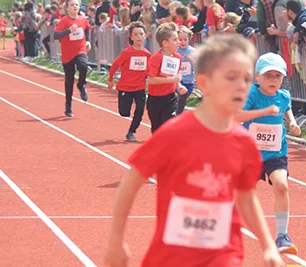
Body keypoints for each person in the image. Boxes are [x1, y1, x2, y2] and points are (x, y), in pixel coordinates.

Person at [103, 34, 285, 267]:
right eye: (231, 77)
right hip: (171, 257)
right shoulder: (174, 134)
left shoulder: (245, 143)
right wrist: (116, 240)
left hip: (224, 254)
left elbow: (246, 197)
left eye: (247, 78)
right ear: (204, 83)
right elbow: (130, 185)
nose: (241, 85)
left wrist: (268, 246)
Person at [235, 52, 301, 255]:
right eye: (268, 75)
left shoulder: (284, 96)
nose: (273, 80)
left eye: (278, 76)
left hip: (275, 153)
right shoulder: (252, 95)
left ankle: (282, 236)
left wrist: (292, 121)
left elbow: (286, 108)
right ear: (257, 77)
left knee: (282, 186)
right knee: (245, 194)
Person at [108, 21, 151, 142]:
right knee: (124, 112)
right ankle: (126, 113)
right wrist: (110, 79)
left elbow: (148, 69)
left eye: (141, 34)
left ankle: (131, 132)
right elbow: (115, 65)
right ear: (131, 37)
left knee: (140, 109)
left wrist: (148, 78)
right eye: (135, 34)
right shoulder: (126, 53)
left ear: (144, 36)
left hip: (140, 87)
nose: (138, 37)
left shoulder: (147, 54)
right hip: (125, 87)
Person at [146, 22, 187, 133]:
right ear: (165, 43)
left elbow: (175, 76)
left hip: (170, 98)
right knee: (157, 130)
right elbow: (151, 80)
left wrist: (179, 85)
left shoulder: (178, 57)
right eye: (175, 40)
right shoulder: (156, 59)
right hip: (155, 99)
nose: (178, 42)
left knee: (170, 123)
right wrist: (173, 80)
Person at [54, 0, 91, 117]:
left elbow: (87, 28)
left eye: (76, 4)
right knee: (69, 80)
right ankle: (68, 105)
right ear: (67, 8)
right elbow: (56, 35)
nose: (75, 6)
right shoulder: (64, 21)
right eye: (72, 5)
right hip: (67, 54)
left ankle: (81, 84)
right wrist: (69, 30)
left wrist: (88, 40)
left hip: (80, 50)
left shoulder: (83, 19)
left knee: (84, 66)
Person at [176, 25, 196, 115]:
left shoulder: (193, 51)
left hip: (190, 81)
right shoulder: (175, 50)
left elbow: (198, 67)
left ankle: (176, 110)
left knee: (184, 96)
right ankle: (178, 115)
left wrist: (193, 61)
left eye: (185, 39)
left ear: (189, 39)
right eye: (180, 40)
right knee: (182, 94)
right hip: (178, 81)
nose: (183, 42)